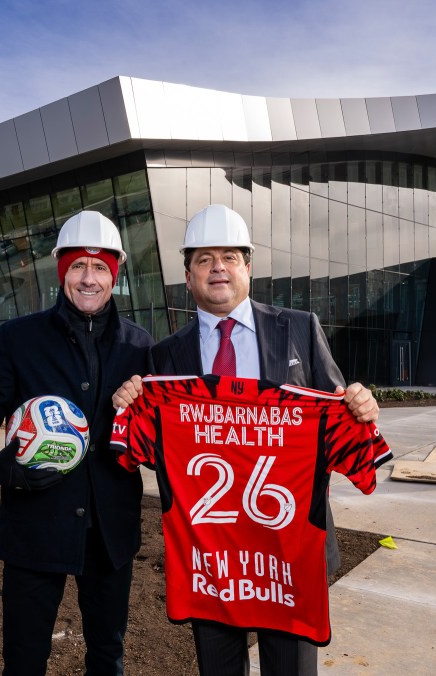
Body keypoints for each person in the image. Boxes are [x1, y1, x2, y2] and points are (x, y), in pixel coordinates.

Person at [112, 204, 379, 676]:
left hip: (288, 555)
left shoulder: (299, 328)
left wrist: (360, 406)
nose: (218, 267)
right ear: (188, 277)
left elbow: (335, 412)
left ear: (248, 268)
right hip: (210, 559)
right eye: (204, 259)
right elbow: (164, 455)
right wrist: (130, 405)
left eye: (230, 257)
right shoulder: (165, 355)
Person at [0, 211, 153, 675]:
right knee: (24, 662)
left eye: (100, 267)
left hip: (111, 533)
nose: (89, 279)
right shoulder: (19, 339)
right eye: (78, 266)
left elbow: (158, 434)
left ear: (115, 274)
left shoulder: (141, 347)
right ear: (62, 271)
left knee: (108, 657)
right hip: (34, 527)